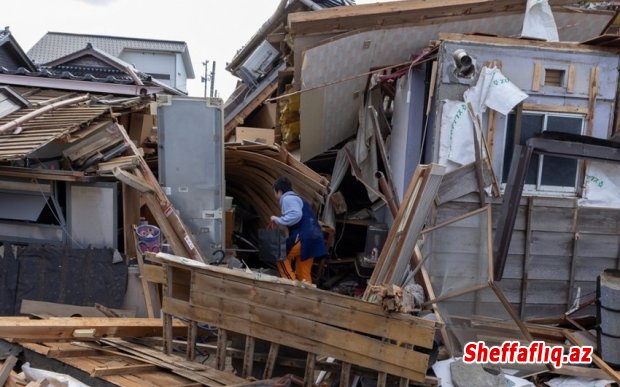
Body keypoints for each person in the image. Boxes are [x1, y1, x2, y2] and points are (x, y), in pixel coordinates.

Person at [270, 176, 326, 284]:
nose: (275, 195)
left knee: (279, 253)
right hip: (314, 237)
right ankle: (307, 295)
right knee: (303, 273)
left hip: (303, 236)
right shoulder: (299, 199)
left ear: (279, 191)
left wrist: (277, 220)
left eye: (274, 192)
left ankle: (291, 285)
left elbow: (296, 214)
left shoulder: (287, 198)